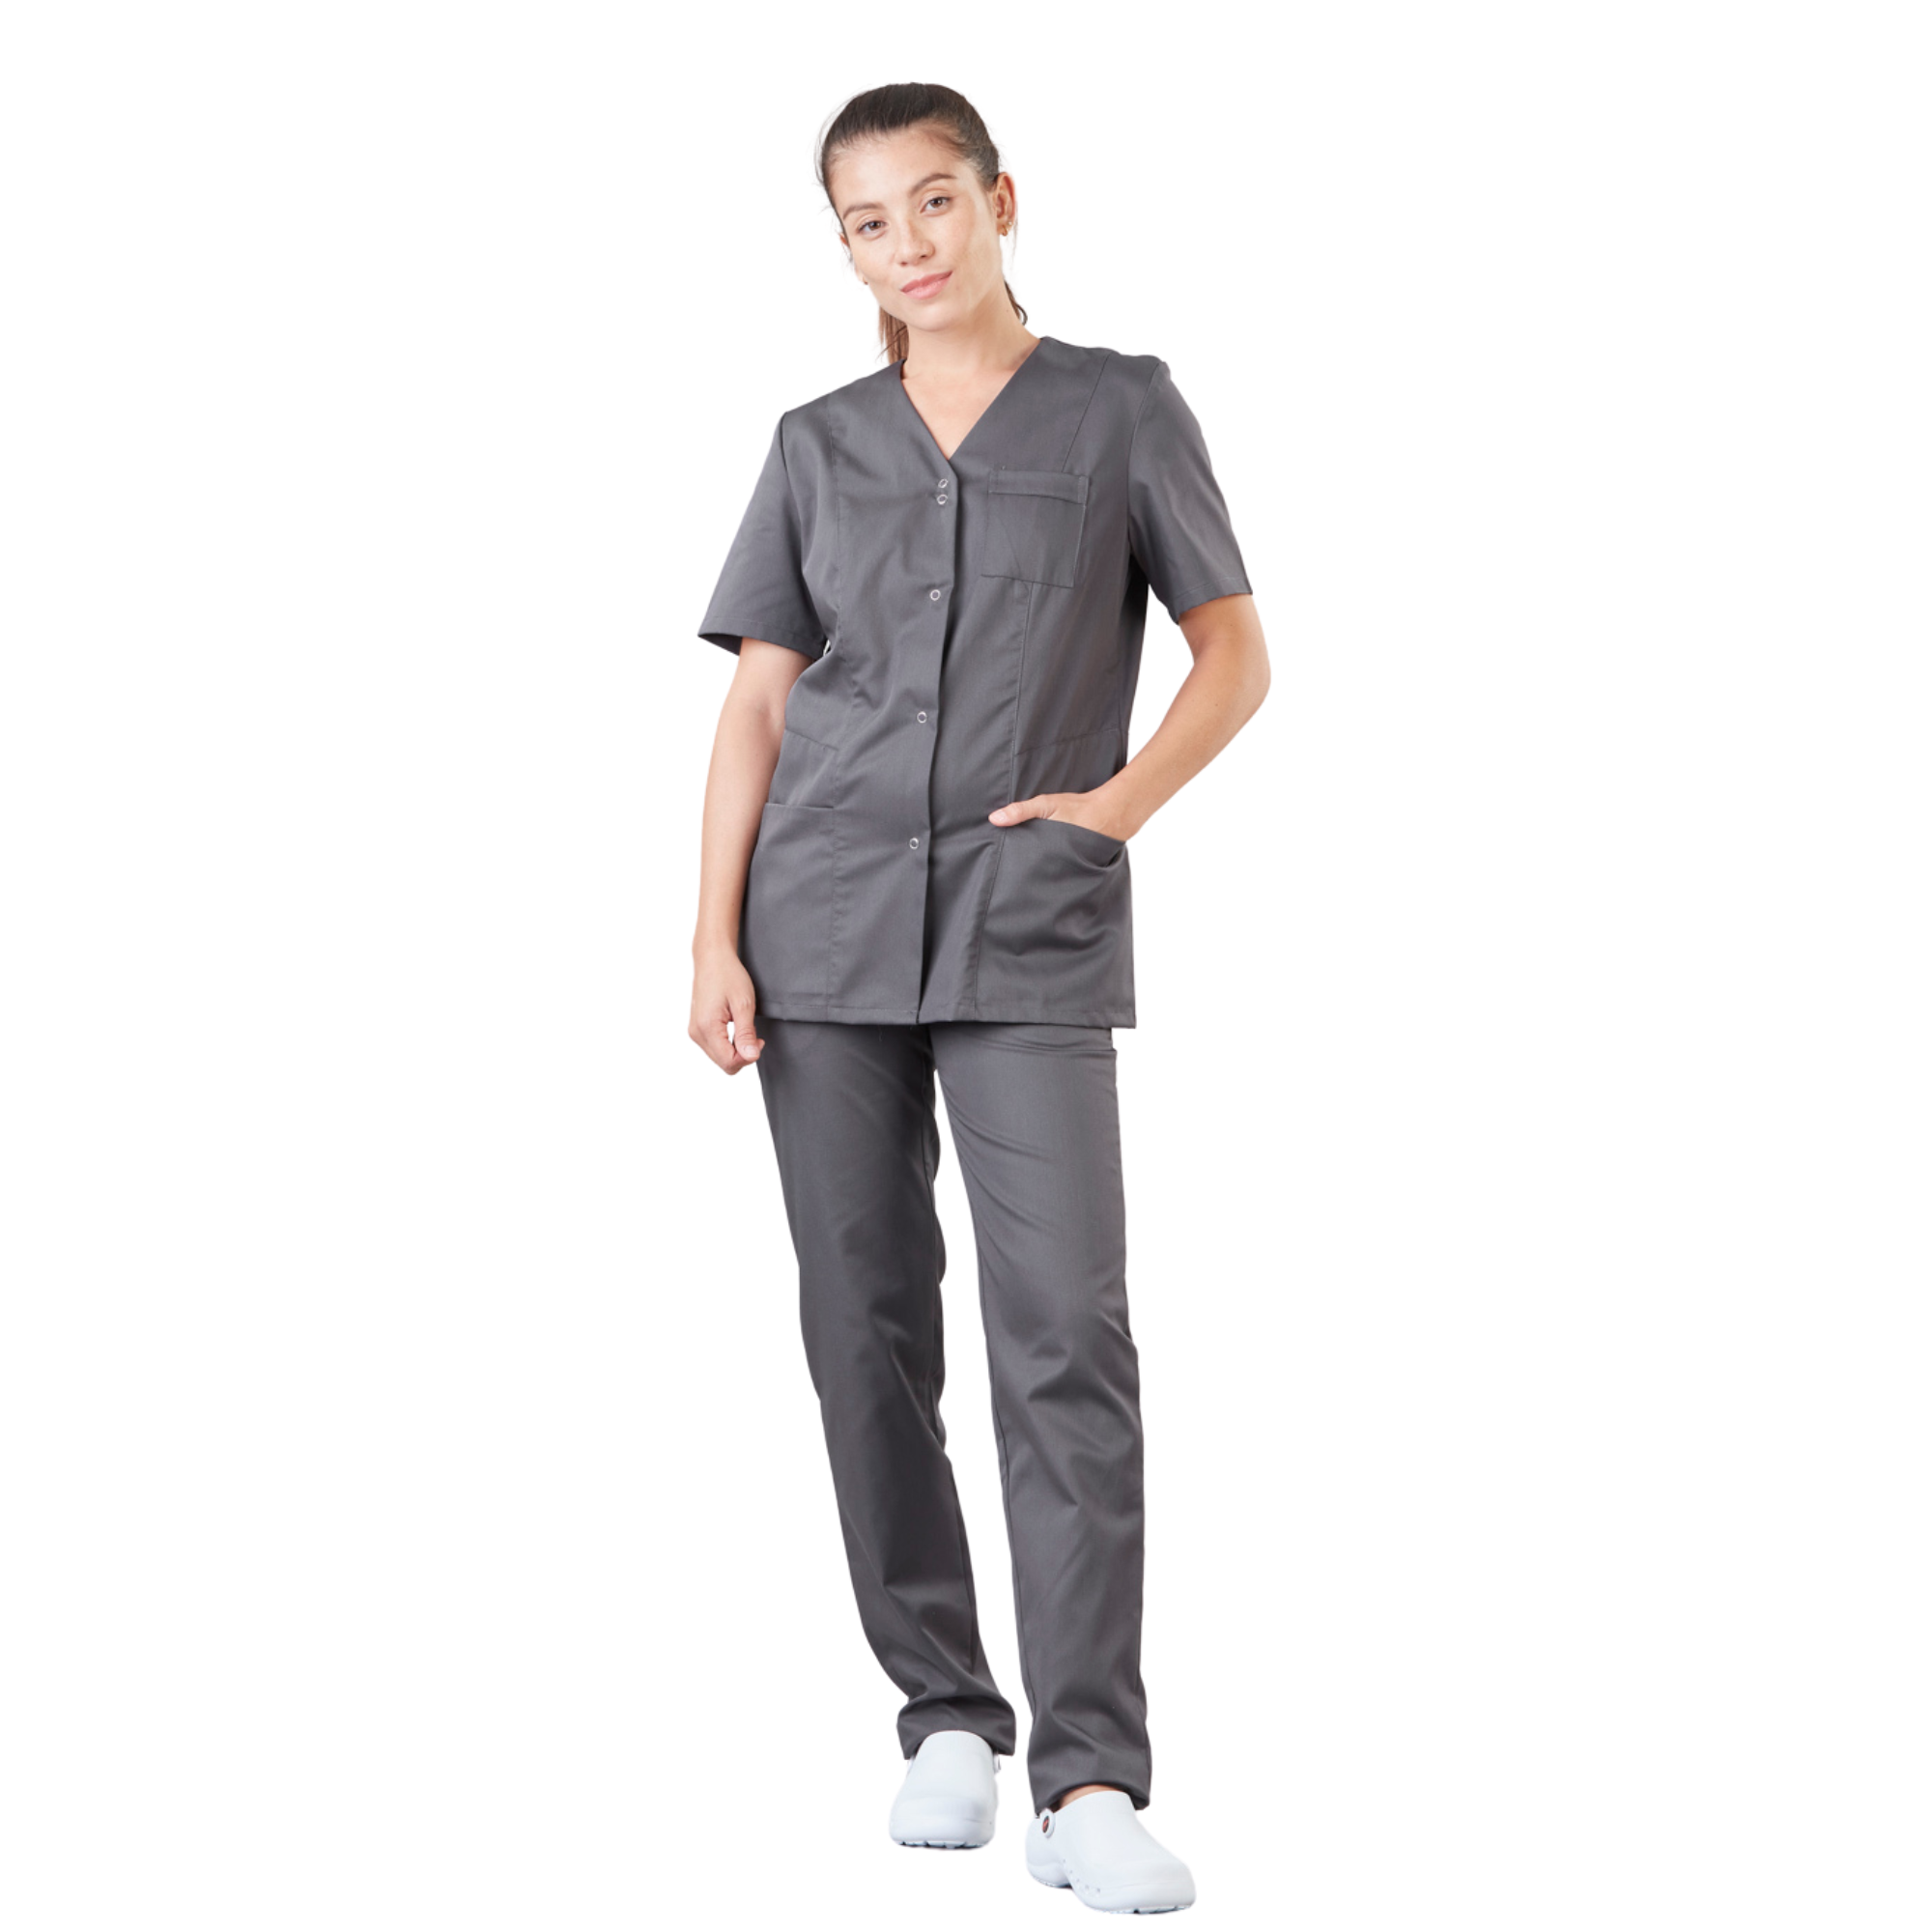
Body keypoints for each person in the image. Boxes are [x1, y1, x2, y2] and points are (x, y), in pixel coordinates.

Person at [687, 81, 1268, 1916]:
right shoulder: (816, 443)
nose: (908, 246)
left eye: (934, 203)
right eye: (868, 223)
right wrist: (710, 936)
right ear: (844, 248)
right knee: (863, 1328)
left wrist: (1113, 810)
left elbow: (1233, 653)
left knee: (1065, 1337)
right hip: (823, 928)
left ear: (1000, 202)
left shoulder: (1120, 409)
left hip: (1029, 929)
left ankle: (1089, 1773)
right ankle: (944, 1710)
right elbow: (761, 704)